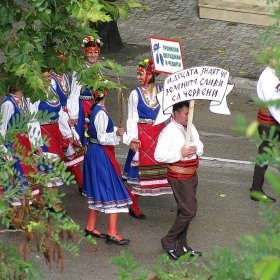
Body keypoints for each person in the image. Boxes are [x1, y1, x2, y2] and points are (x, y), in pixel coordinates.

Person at [82, 86, 139, 245]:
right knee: (112, 189)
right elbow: (102, 137)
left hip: (95, 152)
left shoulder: (96, 109)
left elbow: (106, 130)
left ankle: (90, 226)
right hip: (100, 154)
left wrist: (126, 138)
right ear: (104, 94)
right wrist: (116, 134)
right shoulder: (99, 112)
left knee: (98, 188)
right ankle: (112, 233)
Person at [122, 59, 172, 219]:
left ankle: (182, 203)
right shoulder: (135, 94)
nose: (137, 77)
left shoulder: (162, 92)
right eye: (137, 73)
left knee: (167, 165)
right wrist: (132, 139)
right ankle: (133, 205)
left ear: (150, 74)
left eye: (141, 73)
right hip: (142, 133)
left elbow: (169, 113)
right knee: (139, 172)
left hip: (159, 132)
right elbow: (131, 118)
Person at [154, 101, 203, 260]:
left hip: (192, 174)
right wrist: (179, 152)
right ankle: (168, 240)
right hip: (179, 176)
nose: (189, 117)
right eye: (186, 114)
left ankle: (182, 246)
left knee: (184, 211)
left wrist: (195, 147)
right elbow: (159, 155)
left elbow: (200, 144)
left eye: (190, 113)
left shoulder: (190, 126)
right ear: (175, 114)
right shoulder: (168, 131)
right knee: (190, 210)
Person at [250, 47, 280, 203]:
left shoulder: (274, 73)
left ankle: (256, 188)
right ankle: (256, 190)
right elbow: (273, 105)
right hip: (270, 122)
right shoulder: (268, 78)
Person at [51, 66, 84, 195]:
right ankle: (82, 186)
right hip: (58, 117)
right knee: (68, 151)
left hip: (66, 114)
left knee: (68, 152)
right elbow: (55, 104)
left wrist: (72, 114)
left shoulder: (64, 75)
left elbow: (71, 96)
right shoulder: (52, 80)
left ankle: (80, 184)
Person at [68, 36, 103, 147]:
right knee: (83, 133)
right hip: (83, 106)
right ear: (85, 52)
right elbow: (74, 92)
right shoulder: (80, 70)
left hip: (94, 105)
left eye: (95, 52)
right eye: (90, 52)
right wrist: (73, 114)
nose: (93, 55)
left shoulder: (99, 68)